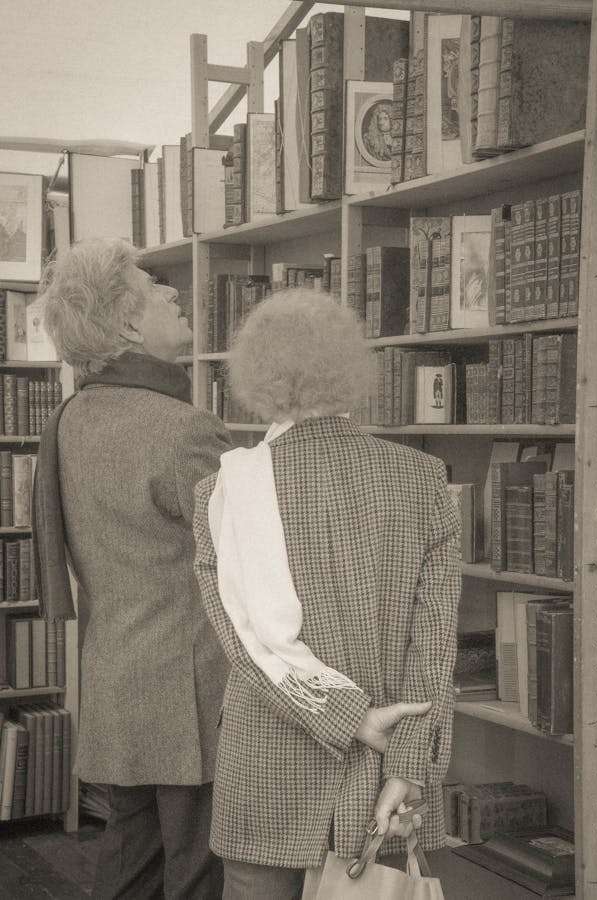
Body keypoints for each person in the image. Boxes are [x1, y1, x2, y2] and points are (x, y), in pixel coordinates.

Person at [192, 289, 462, 900]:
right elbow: (434, 646)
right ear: (353, 369)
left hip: (267, 771)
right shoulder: (423, 479)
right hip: (382, 778)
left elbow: (247, 650)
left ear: (253, 377)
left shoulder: (224, 491)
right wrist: (409, 766)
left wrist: (352, 719)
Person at [33, 238, 231, 899]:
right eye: (154, 286)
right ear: (126, 321)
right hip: (189, 690)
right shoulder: (186, 427)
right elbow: (243, 560)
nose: (175, 294)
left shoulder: (68, 420)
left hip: (117, 679)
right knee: (198, 873)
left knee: (131, 867)